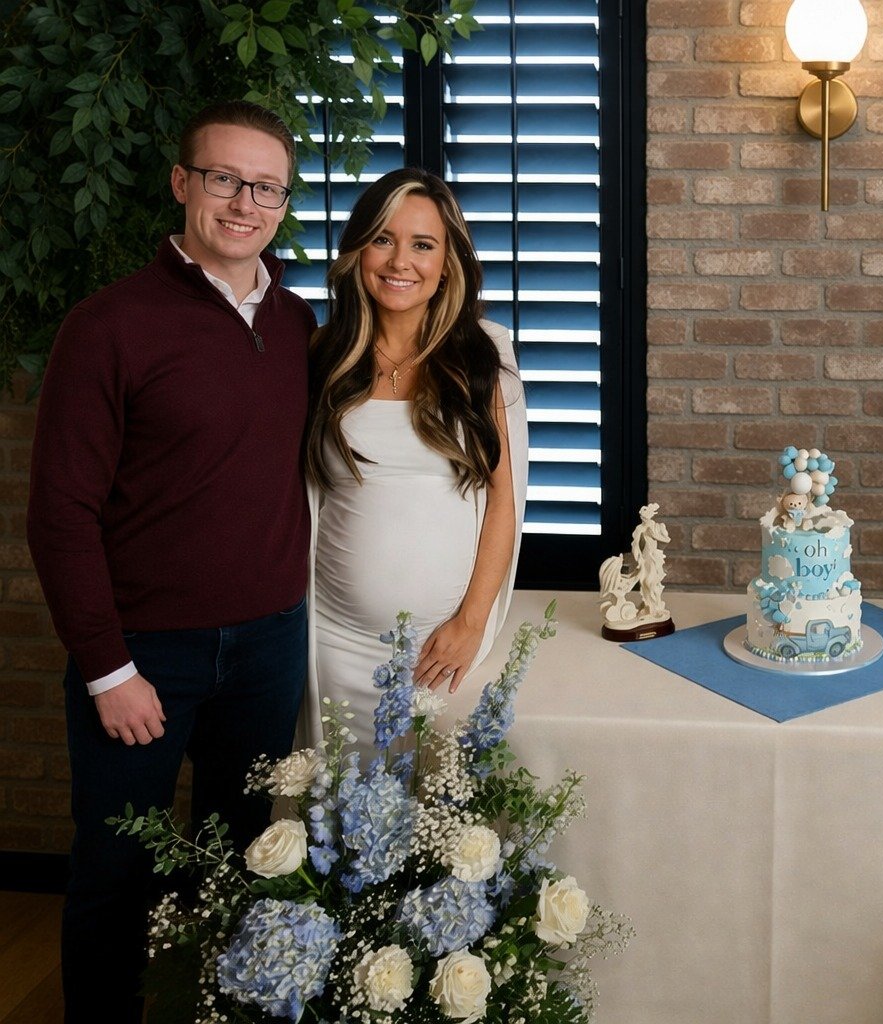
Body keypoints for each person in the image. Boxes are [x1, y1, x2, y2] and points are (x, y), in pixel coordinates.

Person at [26, 101, 313, 1023]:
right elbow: (59, 513)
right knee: (120, 869)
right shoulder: (107, 325)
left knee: (242, 861)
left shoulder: (301, 324)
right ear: (183, 183)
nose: (244, 203)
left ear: (282, 201)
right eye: (225, 179)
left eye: (265, 186)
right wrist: (109, 668)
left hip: (270, 645)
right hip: (146, 654)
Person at [304, 168, 527, 741]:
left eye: (422, 244)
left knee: (436, 818)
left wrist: (471, 621)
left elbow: (505, 498)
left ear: (447, 261)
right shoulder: (322, 357)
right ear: (358, 249)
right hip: (332, 641)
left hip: (441, 646)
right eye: (383, 238)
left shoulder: (484, 355)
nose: (400, 261)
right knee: (329, 820)